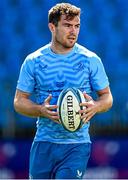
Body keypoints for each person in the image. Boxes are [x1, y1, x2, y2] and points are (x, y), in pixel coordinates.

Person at [14, 3, 113, 179]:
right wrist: (40, 110)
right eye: (67, 25)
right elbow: (19, 101)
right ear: (52, 27)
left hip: (76, 144)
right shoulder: (34, 61)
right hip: (43, 143)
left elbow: (107, 98)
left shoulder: (90, 60)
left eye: (77, 26)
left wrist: (96, 106)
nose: (73, 31)